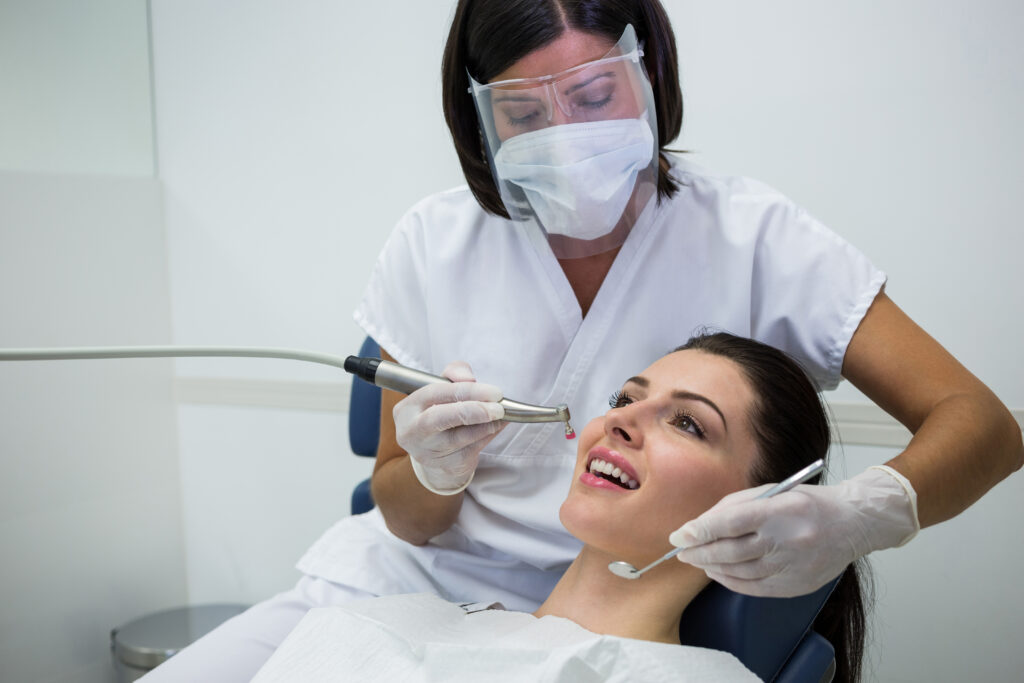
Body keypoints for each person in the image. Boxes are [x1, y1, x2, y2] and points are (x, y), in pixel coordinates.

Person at [143, 1, 1022, 679]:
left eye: (596, 96)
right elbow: (399, 508)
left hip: (603, 624)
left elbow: (982, 422)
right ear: (479, 116)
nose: (566, 137)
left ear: (649, 70)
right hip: (400, 598)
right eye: (525, 114)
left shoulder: (755, 237)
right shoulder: (431, 243)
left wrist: (859, 516)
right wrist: (435, 474)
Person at [251, 334, 866, 683]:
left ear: (759, 509)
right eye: (624, 397)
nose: (620, 420)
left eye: (687, 422)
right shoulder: (430, 619)